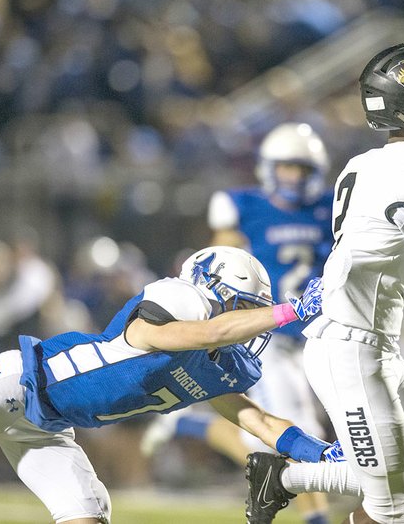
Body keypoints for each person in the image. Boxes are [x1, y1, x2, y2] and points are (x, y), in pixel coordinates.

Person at [243, 42, 404, 524]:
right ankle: (283, 479)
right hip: (351, 347)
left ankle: (283, 478)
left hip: (371, 343)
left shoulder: (362, 164)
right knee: (394, 504)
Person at [0, 245, 331, 524]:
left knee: (87, 517)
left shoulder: (216, 364)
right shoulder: (172, 308)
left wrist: (318, 452)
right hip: (15, 385)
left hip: (48, 429)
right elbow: (192, 335)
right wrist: (288, 312)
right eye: (240, 308)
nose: (248, 324)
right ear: (210, 294)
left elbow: (255, 417)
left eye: (253, 311)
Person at [141, 122, 335, 524]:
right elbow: (220, 268)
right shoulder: (242, 206)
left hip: (318, 334)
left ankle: (192, 425)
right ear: (268, 168)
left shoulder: (330, 209)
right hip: (270, 333)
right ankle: (318, 519)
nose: (294, 178)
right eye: (287, 168)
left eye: (301, 169)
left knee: (263, 435)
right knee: (292, 428)